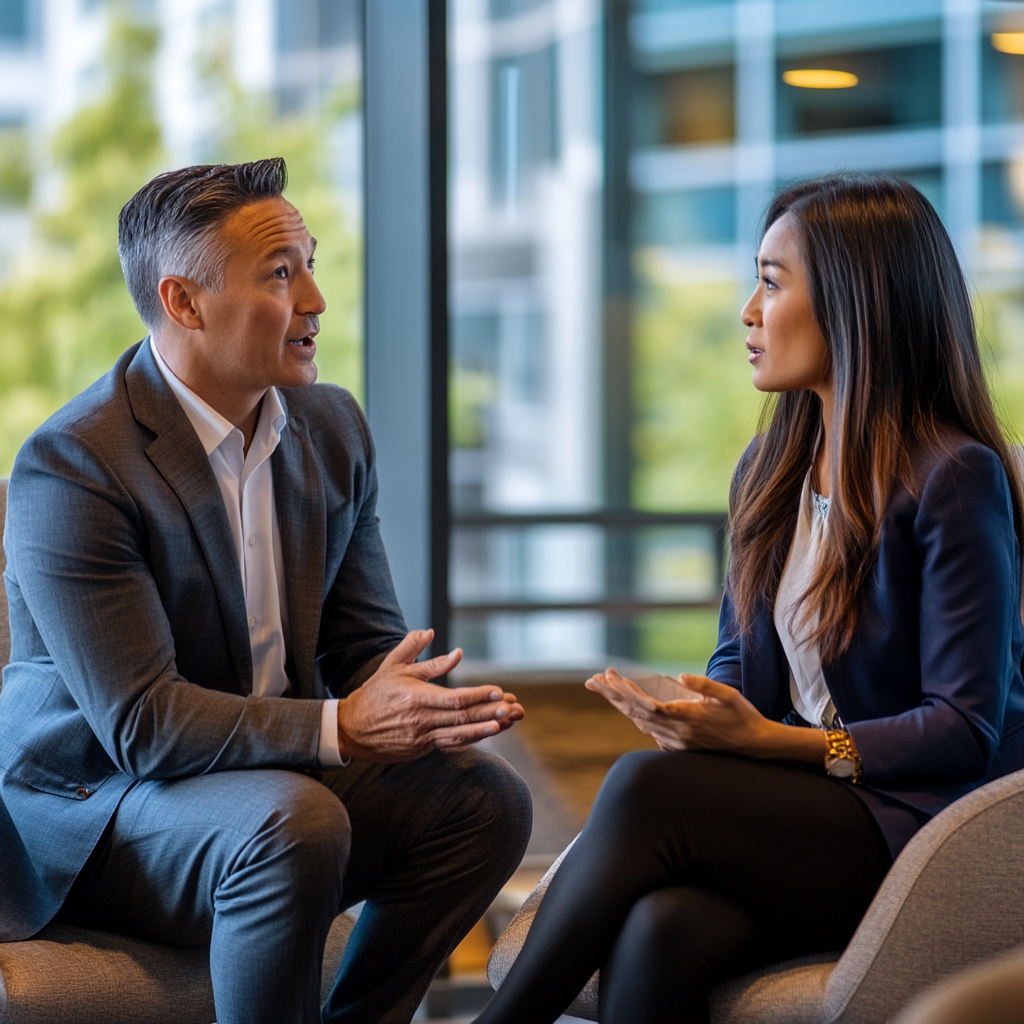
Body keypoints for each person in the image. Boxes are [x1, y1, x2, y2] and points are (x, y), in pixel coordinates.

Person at [474, 174, 1024, 1024]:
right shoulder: (768, 474)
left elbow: (963, 727)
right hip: (804, 820)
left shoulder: (952, 477)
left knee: (646, 792)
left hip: (914, 833)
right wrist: (698, 714)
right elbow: (741, 666)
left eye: (771, 282)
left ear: (855, 302)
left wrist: (769, 742)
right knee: (660, 928)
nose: (746, 310)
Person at [0, 158, 533, 1024]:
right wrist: (342, 726)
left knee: (482, 799)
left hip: (268, 786)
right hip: (96, 812)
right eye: (282, 274)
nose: (316, 299)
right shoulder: (75, 464)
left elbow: (363, 649)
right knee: (295, 822)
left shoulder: (330, 426)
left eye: (310, 264)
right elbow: (144, 725)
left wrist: (426, 708)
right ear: (183, 302)